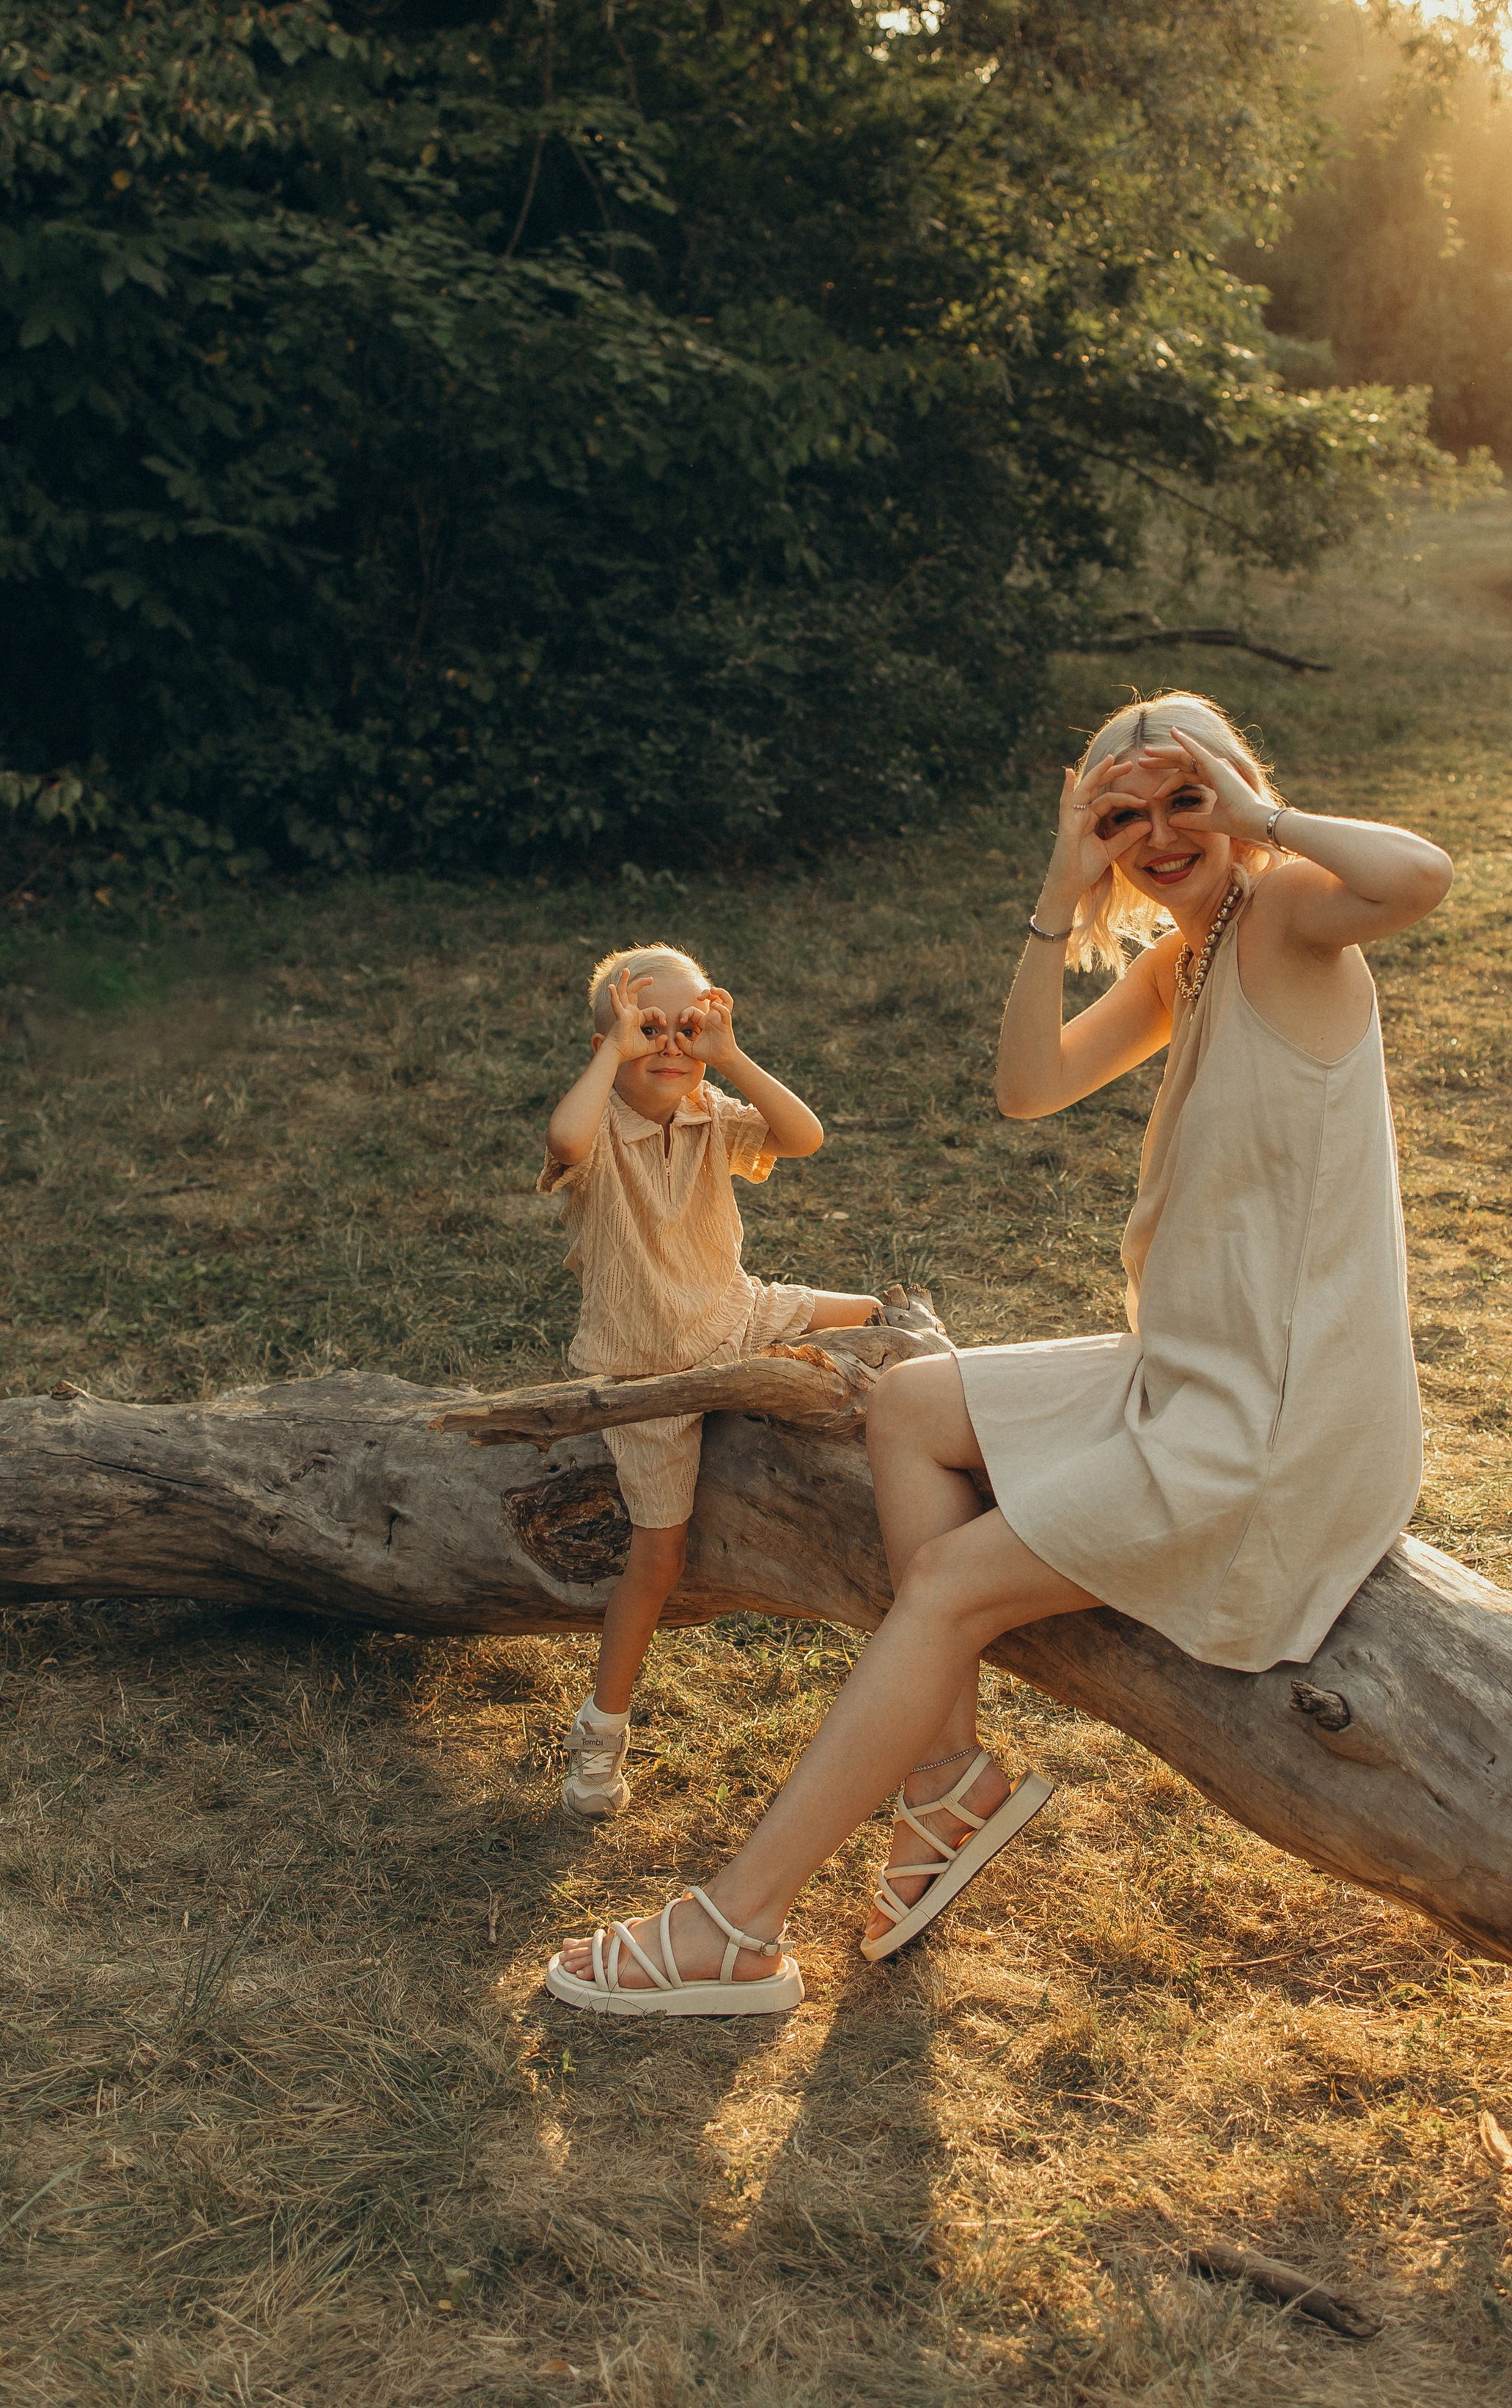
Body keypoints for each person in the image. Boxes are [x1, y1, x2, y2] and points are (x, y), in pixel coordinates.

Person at [546, 701, 1452, 2017]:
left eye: (1181, 800)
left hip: (1278, 1419)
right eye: (1121, 816)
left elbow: (1420, 876)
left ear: (1238, 793)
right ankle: (950, 1782)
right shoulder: (1184, 964)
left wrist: (1256, 821)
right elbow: (1027, 1089)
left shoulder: (1295, 913)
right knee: (907, 1403)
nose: (1156, 838)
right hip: (1185, 1369)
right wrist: (1055, 890)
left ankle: (736, 1928)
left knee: (951, 1587)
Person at [539, 943, 880, 1823]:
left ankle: (920, 1448)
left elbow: (805, 1136)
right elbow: (563, 1138)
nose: (668, 1044)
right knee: (658, 1556)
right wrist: (616, 1051)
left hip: (735, 1315)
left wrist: (726, 1055)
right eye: (644, 1027)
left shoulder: (706, 1106)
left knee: (879, 1318)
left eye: (685, 1027)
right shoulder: (599, 1126)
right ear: (606, 1043)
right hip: (643, 1364)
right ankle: (600, 1730)